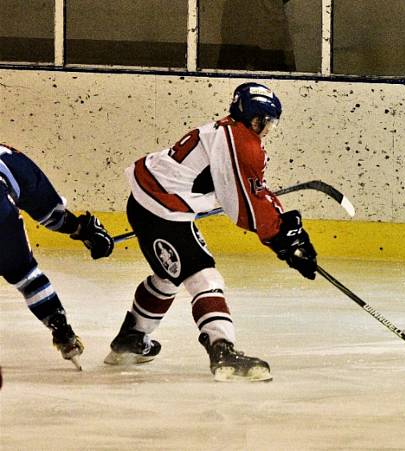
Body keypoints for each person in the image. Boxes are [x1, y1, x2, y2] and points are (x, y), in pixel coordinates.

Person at [104, 82, 317, 382]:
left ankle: (132, 337)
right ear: (254, 118)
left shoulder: (226, 131)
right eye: (266, 121)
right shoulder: (241, 142)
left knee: (169, 275)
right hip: (162, 210)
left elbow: (252, 193)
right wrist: (283, 238)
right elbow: (246, 208)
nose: (268, 128)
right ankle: (222, 349)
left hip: (152, 202)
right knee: (203, 276)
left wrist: (283, 230)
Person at [0, 143, 114, 369]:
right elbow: (50, 212)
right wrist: (82, 229)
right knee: (26, 276)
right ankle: (62, 332)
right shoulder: (11, 158)